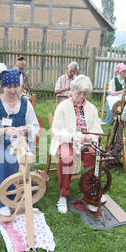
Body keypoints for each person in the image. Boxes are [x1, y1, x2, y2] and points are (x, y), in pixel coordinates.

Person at [0, 68, 39, 216]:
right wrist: (4, 131)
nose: (13, 91)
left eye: (15, 87)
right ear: (2, 87)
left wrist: (25, 129)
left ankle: (23, 198)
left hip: (19, 141)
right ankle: (2, 202)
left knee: (24, 158)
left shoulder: (25, 104)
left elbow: (35, 125)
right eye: (9, 87)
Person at [50, 75, 104, 214]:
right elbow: (57, 130)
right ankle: (63, 195)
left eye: (84, 93)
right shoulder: (63, 106)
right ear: (72, 90)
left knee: (92, 156)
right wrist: (73, 136)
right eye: (79, 92)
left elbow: (97, 130)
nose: (82, 96)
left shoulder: (91, 108)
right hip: (66, 140)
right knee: (67, 156)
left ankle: (89, 194)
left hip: (85, 141)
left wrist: (88, 137)